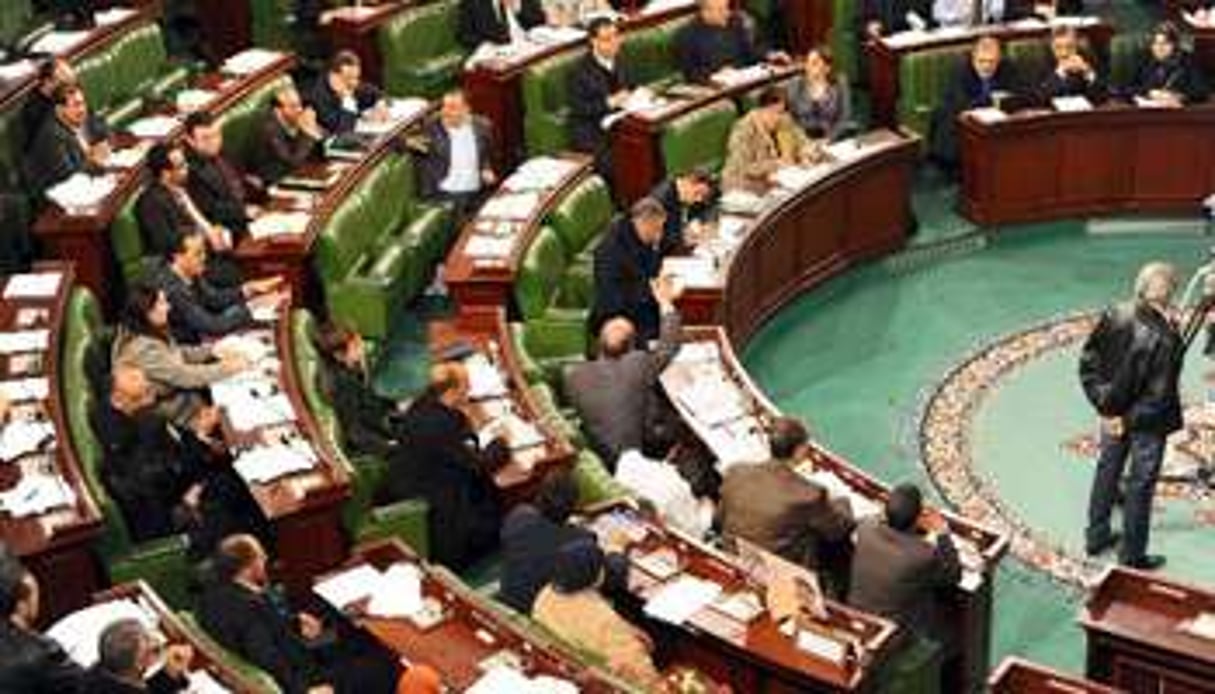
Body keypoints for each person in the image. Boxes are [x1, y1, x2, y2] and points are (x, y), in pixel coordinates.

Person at [93, 364, 264, 555]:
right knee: (243, 500)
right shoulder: (121, 439)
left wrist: (199, 438)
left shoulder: (142, 414)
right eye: (140, 392)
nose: (150, 392)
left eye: (147, 387)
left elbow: (174, 453)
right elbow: (157, 478)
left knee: (237, 475)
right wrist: (199, 439)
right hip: (173, 517)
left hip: (185, 488)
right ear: (117, 400)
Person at [197, 534, 400, 694]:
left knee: (352, 638)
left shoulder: (209, 599)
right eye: (260, 556)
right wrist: (306, 690)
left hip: (296, 655)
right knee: (386, 664)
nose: (266, 558)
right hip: (306, 676)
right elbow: (268, 657)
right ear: (248, 567)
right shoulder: (249, 608)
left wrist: (293, 622)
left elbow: (262, 630)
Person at [1079, 261, 1183, 571]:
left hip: (1113, 412)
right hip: (1146, 423)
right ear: (1169, 293)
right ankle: (1132, 555)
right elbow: (1159, 395)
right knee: (1140, 483)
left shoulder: (1115, 313)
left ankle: (1096, 538)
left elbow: (1089, 364)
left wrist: (1106, 409)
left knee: (1107, 471)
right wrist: (1127, 419)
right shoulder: (1165, 337)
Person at [380, 363, 506, 569]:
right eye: (466, 387)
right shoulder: (440, 425)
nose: (469, 392)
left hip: (418, 484)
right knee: (496, 517)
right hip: (440, 509)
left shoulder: (420, 407)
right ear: (452, 391)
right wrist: (501, 443)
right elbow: (478, 466)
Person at [718, 417, 855, 596]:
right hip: (780, 576)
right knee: (838, 546)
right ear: (799, 450)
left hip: (735, 558)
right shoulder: (809, 494)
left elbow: (719, 519)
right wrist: (842, 499)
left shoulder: (736, 471)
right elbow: (839, 529)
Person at [568, 274, 682, 463]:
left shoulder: (573, 375)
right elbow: (669, 346)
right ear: (631, 347)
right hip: (638, 454)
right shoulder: (637, 364)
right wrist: (665, 302)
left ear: (598, 345)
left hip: (599, 453)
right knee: (679, 423)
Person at [533, 538, 664, 689]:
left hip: (569, 667)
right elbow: (644, 677)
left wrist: (628, 630)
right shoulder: (604, 621)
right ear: (597, 576)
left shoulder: (545, 594)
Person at [112, 283, 247, 428]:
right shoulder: (143, 349)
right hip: (176, 418)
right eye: (162, 303)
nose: (169, 307)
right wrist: (228, 368)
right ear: (148, 312)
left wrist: (211, 350)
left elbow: (176, 353)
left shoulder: (148, 329)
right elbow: (184, 376)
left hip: (188, 402)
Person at [848, 484, 962, 657]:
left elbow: (873, 520)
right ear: (918, 518)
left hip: (854, 617)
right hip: (891, 635)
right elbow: (953, 575)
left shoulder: (866, 528)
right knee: (951, 623)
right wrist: (942, 532)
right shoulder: (922, 554)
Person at [499, 469, 626, 613]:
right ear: (573, 507)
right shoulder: (581, 541)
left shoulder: (517, 516)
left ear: (539, 496)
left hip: (507, 602)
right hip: (541, 616)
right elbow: (614, 579)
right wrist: (617, 547)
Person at [137, 142, 243, 288]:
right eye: (181, 166)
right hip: (184, 269)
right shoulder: (151, 204)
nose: (187, 168)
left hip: (205, 253)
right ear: (165, 173)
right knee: (234, 274)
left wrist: (214, 232)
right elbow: (167, 244)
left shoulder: (179, 189)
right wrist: (205, 237)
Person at [150, 231, 284, 344]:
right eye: (198, 253)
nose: (204, 258)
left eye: (204, 252)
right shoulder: (173, 289)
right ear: (178, 257)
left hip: (206, 332)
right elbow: (212, 326)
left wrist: (249, 288)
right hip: (192, 345)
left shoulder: (190, 271)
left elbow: (214, 298)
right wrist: (253, 307)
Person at [588, 197, 670, 348]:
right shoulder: (613, 250)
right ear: (645, 223)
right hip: (618, 318)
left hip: (637, 304)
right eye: (658, 228)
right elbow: (615, 299)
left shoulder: (636, 236)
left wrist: (655, 247)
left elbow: (651, 272)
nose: (661, 233)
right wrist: (655, 292)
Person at [929, 36, 1019, 170]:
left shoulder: (1008, 67)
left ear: (999, 59)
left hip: (994, 124)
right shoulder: (960, 70)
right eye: (981, 61)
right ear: (973, 58)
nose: (986, 66)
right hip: (958, 121)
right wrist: (991, 100)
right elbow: (962, 103)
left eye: (991, 62)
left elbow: (1018, 93)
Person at [314, 321, 401, 460]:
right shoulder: (342, 385)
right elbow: (356, 433)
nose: (362, 346)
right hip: (376, 437)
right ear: (339, 355)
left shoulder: (348, 366)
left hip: (381, 413)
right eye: (356, 345)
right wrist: (392, 448)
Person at [569, 17, 635, 177]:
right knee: (614, 163)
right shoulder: (580, 71)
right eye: (607, 39)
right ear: (594, 42)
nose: (614, 43)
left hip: (621, 120)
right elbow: (579, 108)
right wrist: (608, 102)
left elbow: (632, 86)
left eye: (616, 36)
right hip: (592, 130)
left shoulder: (623, 58)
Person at [413, 89, 496, 218]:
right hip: (446, 194)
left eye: (452, 107)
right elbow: (400, 141)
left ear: (466, 109)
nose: (446, 112)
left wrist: (486, 168)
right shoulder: (431, 128)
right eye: (444, 106)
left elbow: (485, 154)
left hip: (477, 190)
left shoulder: (482, 126)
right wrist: (406, 142)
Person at [721, 87, 818, 194]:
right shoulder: (742, 130)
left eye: (783, 113)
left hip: (777, 181)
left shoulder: (784, 119)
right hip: (743, 187)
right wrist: (777, 164)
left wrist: (807, 152)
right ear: (763, 109)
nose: (780, 118)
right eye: (777, 112)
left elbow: (804, 141)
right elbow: (744, 168)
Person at [23, 83, 110, 194]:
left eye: (83, 103)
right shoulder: (52, 136)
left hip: (91, 183)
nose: (82, 109)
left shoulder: (80, 116)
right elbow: (69, 176)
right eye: (76, 105)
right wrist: (93, 161)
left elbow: (104, 129)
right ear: (59, 109)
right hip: (61, 198)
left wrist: (104, 142)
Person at [183, 111, 257, 235]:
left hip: (252, 211)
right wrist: (243, 211)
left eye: (217, 135)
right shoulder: (191, 171)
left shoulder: (224, 152)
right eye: (206, 138)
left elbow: (240, 181)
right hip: (230, 228)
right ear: (190, 141)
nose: (214, 142)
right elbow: (210, 209)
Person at [676, 0, 779, 83]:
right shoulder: (687, 35)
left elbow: (749, 52)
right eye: (721, 10)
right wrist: (715, 73)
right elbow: (690, 73)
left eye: (727, 7)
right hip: (717, 85)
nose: (727, 13)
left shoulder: (735, 21)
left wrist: (770, 55)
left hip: (744, 77)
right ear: (705, 12)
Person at [81, 618, 194, 694]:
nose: (157, 642)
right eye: (152, 650)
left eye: (148, 635)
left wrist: (170, 673)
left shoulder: (100, 672)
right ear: (139, 664)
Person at [252, 85, 325, 185]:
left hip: (299, 172)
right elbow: (292, 161)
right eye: (293, 106)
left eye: (300, 104)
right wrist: (307, 132)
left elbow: (327, 139)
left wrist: (313, 127)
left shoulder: (296, 116)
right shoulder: (269, 128)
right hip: (275, 180)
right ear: (278, 110)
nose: (299, 110)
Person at [1128, 21, 1208, 106]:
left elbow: (1201, 91)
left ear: (1175, 45)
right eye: (1155, 43)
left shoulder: (1187, 61)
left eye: (1165, 43)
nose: (1159, 48)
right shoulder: (1145, 60)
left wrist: (1179, 96)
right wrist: (1149, 92)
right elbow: (1127, 88)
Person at [307, 51, 386, 135]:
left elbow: (375, 92)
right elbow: (343, 130)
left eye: (356, 78)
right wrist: (348, 100)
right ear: (334, 76)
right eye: (349, 78)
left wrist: (380, 104)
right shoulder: (319, 97)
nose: (355, 83)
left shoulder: (350, 83)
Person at [786, 46, 854, 141]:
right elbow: (790, 119)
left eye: (814, 63)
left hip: (832, 137)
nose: (808, 66)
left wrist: (830, 138)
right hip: (803, 140)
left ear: (827, 68)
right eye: (807, 62)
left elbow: (844, 116)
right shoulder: (795, 85)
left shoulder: (839, 83)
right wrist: (803, 141)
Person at [646, 169, 716, 255]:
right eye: (697, 193)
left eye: (702, 196)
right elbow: (658, 241)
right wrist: (685, 237)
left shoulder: (686, 193)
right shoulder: (661, 200)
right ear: (688, 182)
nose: (699, 199)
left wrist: (699, 222)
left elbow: (707, 208)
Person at [1038, 26, 1105, 104]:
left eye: (1069, 47)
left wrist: (1089, 74)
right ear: (1051, 48)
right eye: (1058, 48)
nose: (1064, 53)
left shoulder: (1088, 61)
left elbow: (1102, 97)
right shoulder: (1043, 63)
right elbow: (1043, 98)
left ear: (1076, 48)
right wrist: (1060, 73)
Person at [21, 57, 76, 148]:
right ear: (48, 82)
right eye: (63, 84)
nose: (67, 91)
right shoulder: (34, 111)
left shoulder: (63, 98)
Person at [456, 0, 546, 49]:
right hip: (500, 53)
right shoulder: (471, 3)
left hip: (530, 46)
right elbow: (465, 36)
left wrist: (517, 7)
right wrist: (489, 45)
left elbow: (540, 19)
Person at [862, 0, 932, 38]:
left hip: (914, 40)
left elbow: (922, 15)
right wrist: (870, 25)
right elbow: (866, 18)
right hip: (884, 45)